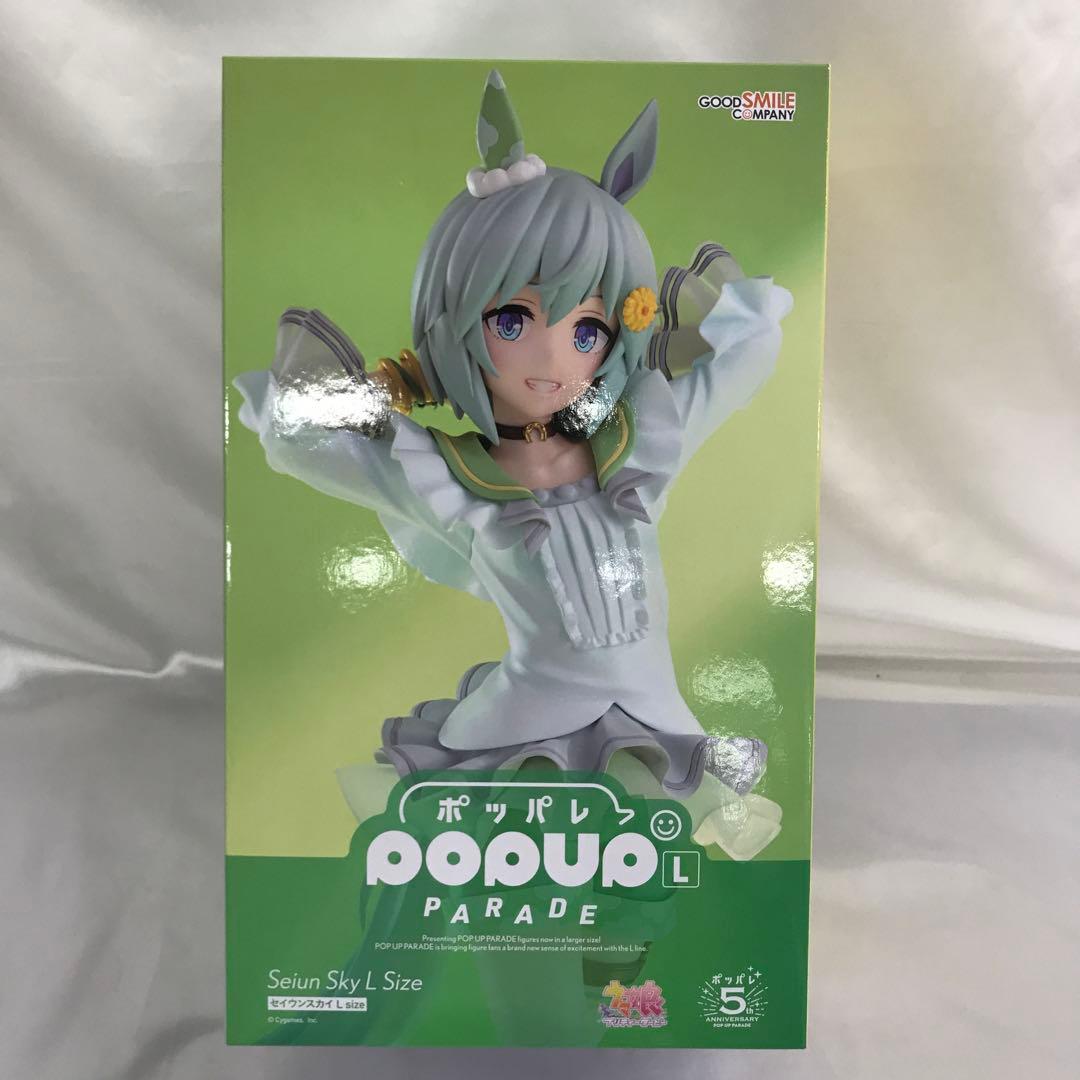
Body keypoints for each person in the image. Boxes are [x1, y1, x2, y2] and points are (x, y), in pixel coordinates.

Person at [234, 68, 794, 862]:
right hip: (520, 724)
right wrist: (384, 388)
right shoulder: (450, 477)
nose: (552, 358)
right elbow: (298, 438)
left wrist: (700, 332)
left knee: (636, 879)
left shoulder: (640, 444)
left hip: (656, 714)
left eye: (587, 330)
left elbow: (748, 350)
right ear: (457, 326)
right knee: (510, 868)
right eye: (511, 320)